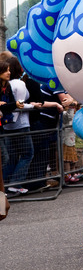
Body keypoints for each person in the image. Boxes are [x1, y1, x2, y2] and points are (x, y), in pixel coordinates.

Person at [2, 57, 36, 191]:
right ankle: (16, 183)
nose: (8, 72)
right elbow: (20, 103)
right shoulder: (19, 84)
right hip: (20, 124)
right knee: (28, 154)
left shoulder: (6, 84)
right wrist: (33, 106)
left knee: (10, 157)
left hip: (7, 124)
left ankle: (5, 185)